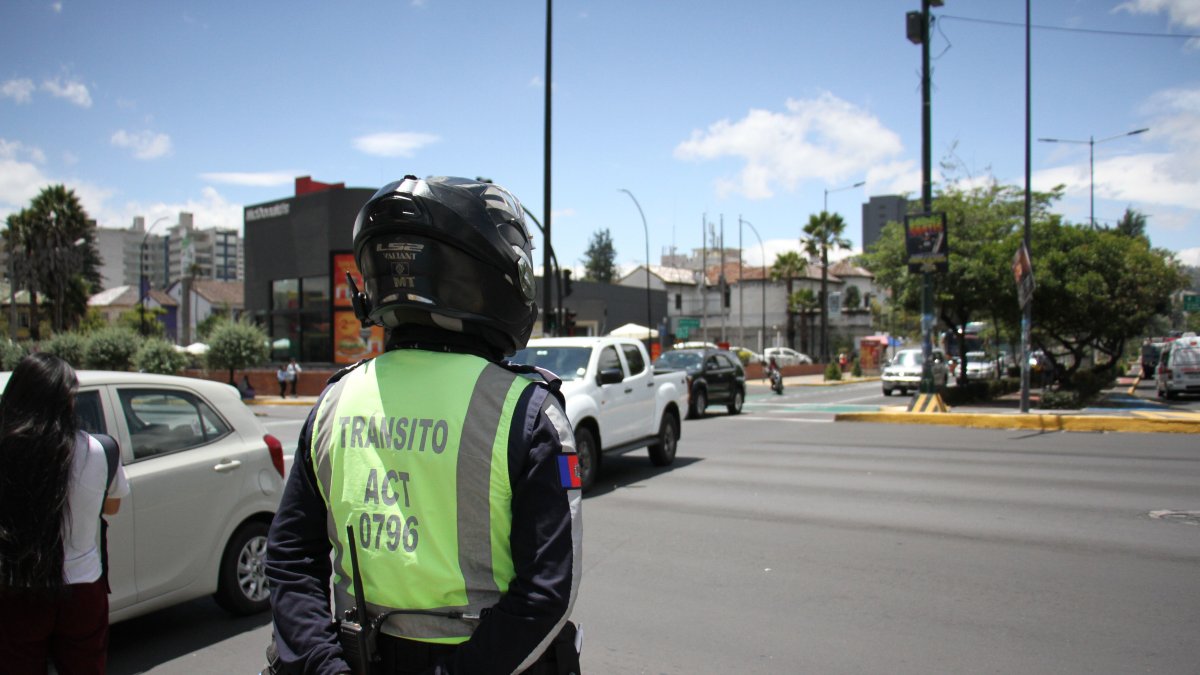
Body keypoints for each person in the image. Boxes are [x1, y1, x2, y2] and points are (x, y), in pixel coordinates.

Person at [265, 175, 582, 675]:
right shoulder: (528, 412)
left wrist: (324, 666)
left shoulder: (335, 400)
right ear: (501, 275)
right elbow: (546, 593)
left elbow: (288, 561)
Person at [0, 353, 130, 674]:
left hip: (17, 586)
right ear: (67, 402)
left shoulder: (6, 450)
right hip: (82, 588)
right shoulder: (101, 451)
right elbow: (111, 506)